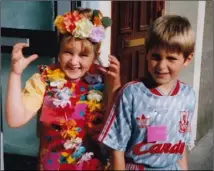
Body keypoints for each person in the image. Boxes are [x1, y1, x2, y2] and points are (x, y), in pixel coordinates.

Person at [5, 8, 121, 170]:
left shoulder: (104, 80)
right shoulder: (43, 80)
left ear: (95, 56)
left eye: (83, 55)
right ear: (59, 51)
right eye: (68, 52)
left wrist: (114, 86)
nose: (74, 61)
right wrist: (15, 74)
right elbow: (15, 120)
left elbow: (117, 128)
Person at [98, 15, 196, 170]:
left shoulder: (188, 95)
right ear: (147, 53)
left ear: (187, 59)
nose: (161, 66)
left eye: (171, 58)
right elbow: (117, 148)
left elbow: (181, 143)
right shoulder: (131, 94)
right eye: (156, 57)